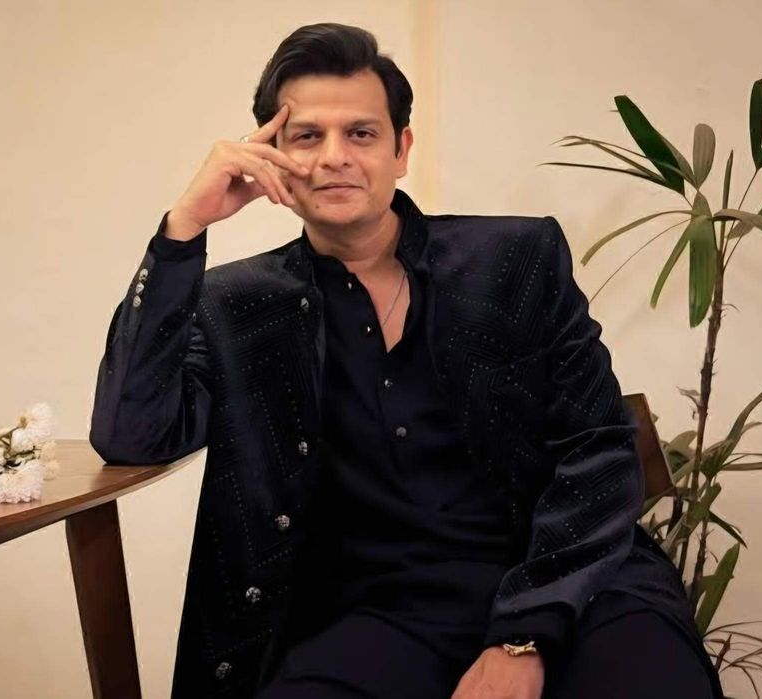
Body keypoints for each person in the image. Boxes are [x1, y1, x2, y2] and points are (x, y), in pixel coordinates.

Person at [89, 22, 724, 699]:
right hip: (384, 615)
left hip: (570, 581)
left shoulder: (515, 260)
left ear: (401, 150)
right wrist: (183, 228)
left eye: (361, 133)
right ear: (270, 156)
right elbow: (133, 434)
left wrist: (523, 635)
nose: (334, 157)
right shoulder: (236, 305)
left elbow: (598, 448)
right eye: (307, 136)